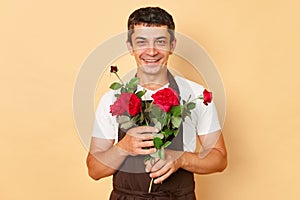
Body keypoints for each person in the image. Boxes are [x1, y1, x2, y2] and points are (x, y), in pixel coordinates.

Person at [86, 7, 227, 199]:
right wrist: (123, 147)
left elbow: (219, 159)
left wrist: (181, 159)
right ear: (130, 46)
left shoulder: (196, 95)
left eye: (160, 42)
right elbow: (94, 170)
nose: (151, 51)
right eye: (141, 42)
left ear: (172, 45)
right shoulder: (112, 99)